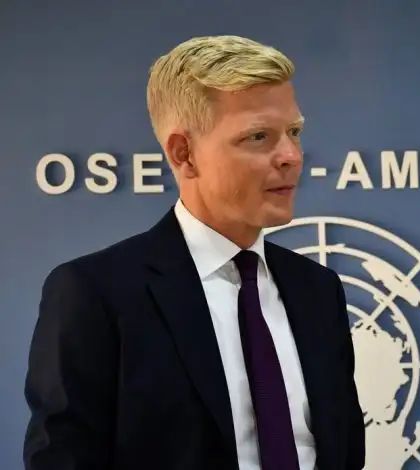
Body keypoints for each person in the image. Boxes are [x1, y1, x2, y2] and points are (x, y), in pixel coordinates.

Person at [23, 35, 365, 470]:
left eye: (294, 132)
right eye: (258, 136)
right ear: (184, 154)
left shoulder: (317, 289)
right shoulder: (97, 293)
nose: (291, 156)